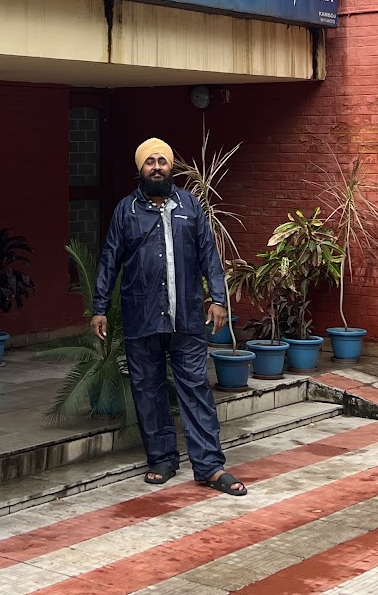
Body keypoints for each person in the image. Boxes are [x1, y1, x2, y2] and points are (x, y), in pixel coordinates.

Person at [90, 137, 247, 496]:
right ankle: (161, 458)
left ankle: (210, 466)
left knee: (196, 389)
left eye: (162, 161)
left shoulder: (190, 206)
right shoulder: (125, 211)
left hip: (187, 319)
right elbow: (110, 260)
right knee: (148, 390)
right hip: (141, 317)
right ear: (140, 169)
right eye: (150, 162)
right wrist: (100, 307)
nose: (157, 166)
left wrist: (218, 299)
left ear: (171, 167)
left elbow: (209, 256)